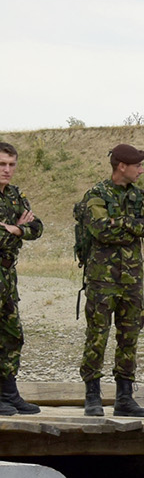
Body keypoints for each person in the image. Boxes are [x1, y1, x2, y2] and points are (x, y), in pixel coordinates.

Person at [77, 143, 144, 418]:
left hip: (132, 280)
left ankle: (124, 397)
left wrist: (120, 222)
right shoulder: (96, 195)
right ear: (121, 166)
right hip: (102, 280)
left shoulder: (141, 196)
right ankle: (92, 396)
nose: (141, 170)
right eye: (138, 165)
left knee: (129, 337)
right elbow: (100, 230)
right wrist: (133, 225)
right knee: (97, 336)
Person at [0, 142, 44, 416]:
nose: (7, 170)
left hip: (7, 276)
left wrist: (16, 229)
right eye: (2, 164)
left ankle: (8, 393)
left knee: (12, 335)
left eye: (11, 164)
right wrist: (18, 228)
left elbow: (37, 227)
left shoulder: (15, 196)